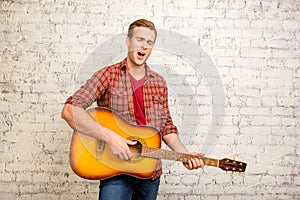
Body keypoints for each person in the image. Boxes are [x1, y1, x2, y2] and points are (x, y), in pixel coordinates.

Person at [61, 19, 204, 200]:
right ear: (128, 41)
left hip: (150, 174)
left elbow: (166, 126)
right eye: (139, 40)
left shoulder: (159, 82)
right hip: (116, 171)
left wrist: (184, 154)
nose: (144, 46)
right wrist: (111, 138)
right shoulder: (108, 75)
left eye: (149, 42)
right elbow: (69, 110)